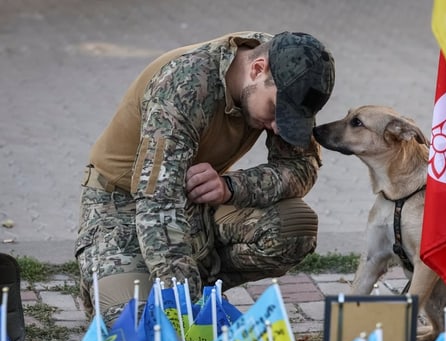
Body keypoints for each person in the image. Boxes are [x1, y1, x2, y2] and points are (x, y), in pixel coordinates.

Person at [75, 31, 335, 323]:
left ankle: (202, 279)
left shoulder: (292, 74)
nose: (277, 127)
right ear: (257, 68)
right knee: (139, 326)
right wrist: (189, 308)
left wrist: (230, 187)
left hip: (195, 203)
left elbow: (302, 166)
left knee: (294, 226)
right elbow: (158, 204)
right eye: (275, 111)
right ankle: (122, 275)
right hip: (122, 207)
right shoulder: (184, 84)